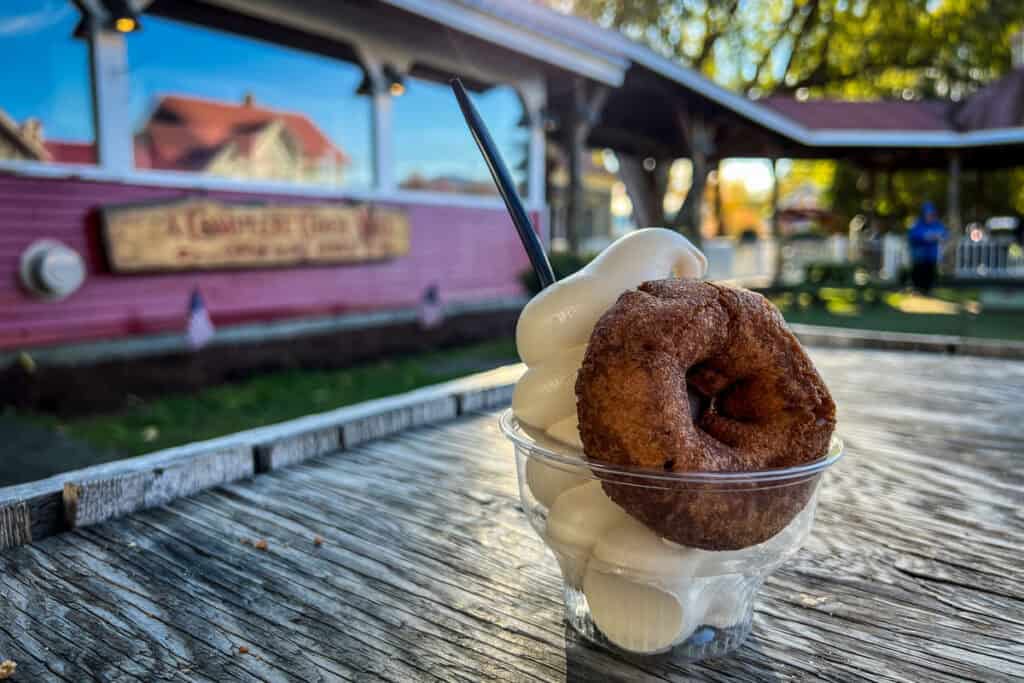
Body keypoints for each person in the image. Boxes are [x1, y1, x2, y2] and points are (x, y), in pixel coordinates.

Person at [907, 201, 948, 294]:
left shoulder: (937, 224)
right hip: (919, 255)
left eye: (931, 214)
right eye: (928, 214)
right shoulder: (918, 224)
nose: (930, 217)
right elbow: (912, 235)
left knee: (930, 273)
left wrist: (937, 236)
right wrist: (926, 237)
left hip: (931, 255)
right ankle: (917, 289)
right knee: (919, 272)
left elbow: (944, 234)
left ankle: (928, 290)